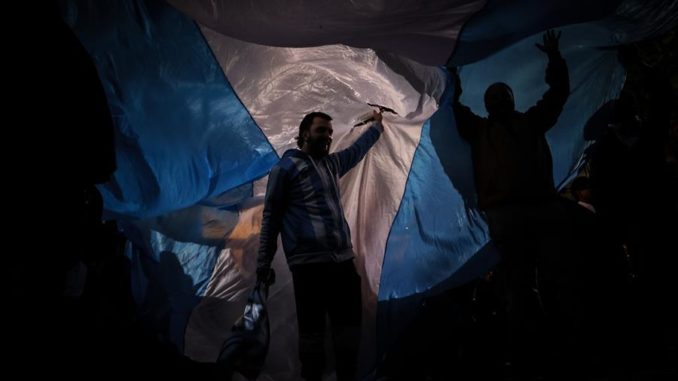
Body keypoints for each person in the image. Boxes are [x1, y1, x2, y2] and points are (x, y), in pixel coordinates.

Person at [451, 29, 571, 377]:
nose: (498, 101)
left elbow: (558, 94)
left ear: (511, 100)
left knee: (551, 278)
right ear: (488, 106)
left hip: (540, 210)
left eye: (502, 95)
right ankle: (524, 351)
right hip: (506, 215)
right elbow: (452, 108)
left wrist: (554, 59)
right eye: (494, 97)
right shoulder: (479, 131)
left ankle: (557, 346)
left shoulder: (530, 122)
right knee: (518, 284)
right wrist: (452, 76)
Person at [256, 110, 385, 381]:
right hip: (310, 268)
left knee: (348, 333)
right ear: (304, 134)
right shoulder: (285, 168)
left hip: (342, 264)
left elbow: (357, 149)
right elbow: (271, 217)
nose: (327, 136)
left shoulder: (331, 165)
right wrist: (263, 264)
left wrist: (376, 126)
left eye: (329, 132)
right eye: (321, 131)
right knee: (312, 339)